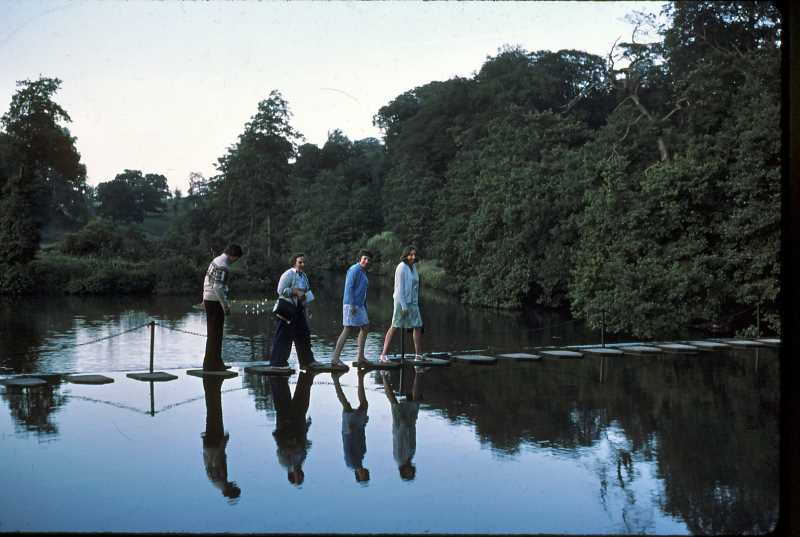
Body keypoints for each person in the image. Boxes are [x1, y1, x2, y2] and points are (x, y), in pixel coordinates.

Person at [269, 253, 325, 371]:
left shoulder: (304, 276)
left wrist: (308, 308)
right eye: (300, 262)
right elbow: (280, 290)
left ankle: (307, 362)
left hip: (299, 308)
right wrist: (294, 291)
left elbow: (307, 292)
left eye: (304, 262)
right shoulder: (288, 274)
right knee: (283, 335)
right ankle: (277, 363)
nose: (302, 264)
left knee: (304, 334)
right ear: (294, 262)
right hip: (287, 309)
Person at [202, 244, 243, 371]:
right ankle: (213, 365)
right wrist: (225, 306)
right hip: (215, 301)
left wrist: (204, 298)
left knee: (212, 333)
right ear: (233, 256)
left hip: (209, 299)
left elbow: (207, 280)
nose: (235, 261)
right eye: (236, 259)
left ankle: (212, 363)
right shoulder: (223, 266)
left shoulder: (215, 260)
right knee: (216, 334)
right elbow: (218, 287)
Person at [379, 246, 423, 362]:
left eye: (414, 254)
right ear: (406, 255)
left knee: (417, 326)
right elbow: (399, 288)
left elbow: (415, 286)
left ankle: (418, 355)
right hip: (401, 302)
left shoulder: (413, 267)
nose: (413, 256)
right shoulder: (401, 267)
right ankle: (383, 355)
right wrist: (403, 306)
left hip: (413, 302)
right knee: (395, 325)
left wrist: (415, 302)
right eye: (411, 254)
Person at [381, 367, 425, 481]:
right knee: (414, 401)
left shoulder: (400, 458)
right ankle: (418, 373)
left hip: (402, 424)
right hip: (409, 423)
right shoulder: (409, 457)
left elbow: (399, 439)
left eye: (408, 473)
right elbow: (412, 439)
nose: (411, 471)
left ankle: (384, 376)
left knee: (394, 402)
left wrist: (403, 423)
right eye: (412, 473)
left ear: (403, 471)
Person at [271, 372, 315, 486]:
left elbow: (282, 447)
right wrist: (306, 425)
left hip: (285, 423)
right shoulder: (301, 460)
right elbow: (303, 443)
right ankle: (307, 374)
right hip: (298, 423)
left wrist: (292, 446)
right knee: (303, 395)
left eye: (298, 476)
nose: (300, 474)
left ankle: (278, 376)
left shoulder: (285, 463)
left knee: (282, 395)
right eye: (301, 475)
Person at [201, 377, 241, 501]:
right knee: (212, 414)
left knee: (215, 413)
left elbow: (216, 459)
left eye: (234, 486)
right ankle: (212, 387)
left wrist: (224, 442)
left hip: (214, 444)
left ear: (230, 489)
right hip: (208, 445)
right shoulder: (215, 482)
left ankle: (212, 385)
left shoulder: (221, 478)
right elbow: (208, 461)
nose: (234, 483)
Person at [330, 250, 372, 367]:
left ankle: (360, 357)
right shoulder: (354, 269)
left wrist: (364, 306)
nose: (366, 261)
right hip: (351, 304)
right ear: (360, 259)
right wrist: (352, 305)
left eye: (368, 260)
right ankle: (335, 359)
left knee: (365, 326)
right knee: (347, 329)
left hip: (360, 305)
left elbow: (363, 291)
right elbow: (349, 287)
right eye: (364, 258)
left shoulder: (363, 272)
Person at [332, 369, 370, 483]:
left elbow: (348, 448)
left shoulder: (352, 463)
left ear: (358, 475)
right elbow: (362, 439)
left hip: (350, 431)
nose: (364, 473)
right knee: (361, 405)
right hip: (356, 429)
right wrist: (364, 424)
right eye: (366, 475)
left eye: (362, 476)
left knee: (348, 406)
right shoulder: (360, 458)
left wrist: (349, 431)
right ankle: (359, 377)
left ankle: (336, 380)